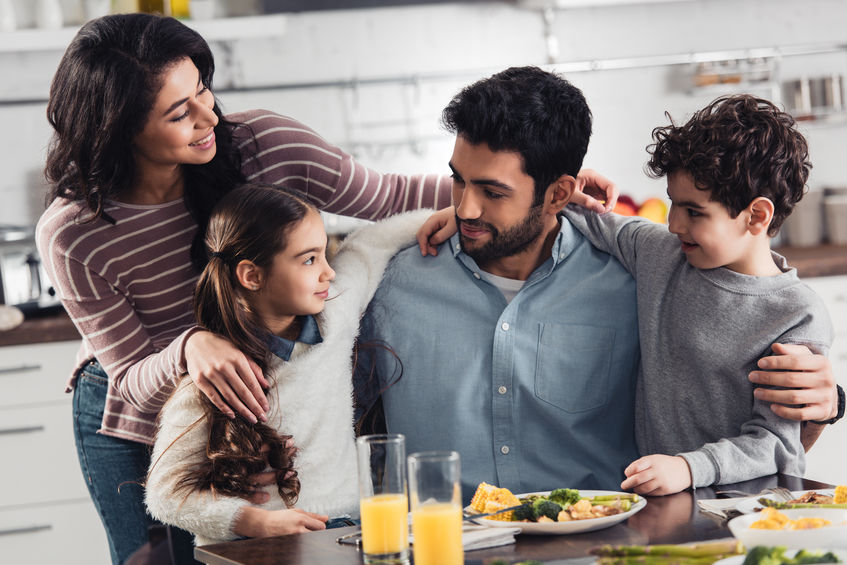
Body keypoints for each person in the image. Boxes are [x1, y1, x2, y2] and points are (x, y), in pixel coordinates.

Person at [34, 15, 613, 562]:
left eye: (204, 90)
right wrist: (191, 348)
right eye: (179, 113)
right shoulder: (72, 234)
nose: (209, 117)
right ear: (118, 130)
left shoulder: (264, 143)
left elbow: (385, 197)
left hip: (259, 390)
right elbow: (130, 376)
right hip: (148, 407)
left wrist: (532, 187)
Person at [359, 66, 841, 503]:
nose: (465, 207)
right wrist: (475, 210)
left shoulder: (646, 283)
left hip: (657, 530)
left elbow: (775, 435)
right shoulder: (390, 281)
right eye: (458, 182)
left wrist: (829, 403)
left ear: (557, 193)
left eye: (492, 191)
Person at [561, 94, 833, 495]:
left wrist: (689, 468)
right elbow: (585, 215)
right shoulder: (662, 253)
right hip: (667, 502)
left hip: (755, 507)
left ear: (757, 215)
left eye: (694, 211)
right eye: (672, 203)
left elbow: (776, 443)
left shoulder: (795, 313)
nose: (673, 224)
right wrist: (565, 185)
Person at [145, 184, 432, 546]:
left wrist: (444, 218)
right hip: (259, 545)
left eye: (326, 254)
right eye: (309, 259)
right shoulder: (214, 380)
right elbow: (164, 495)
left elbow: (369, 246)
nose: (329, 272)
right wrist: (254, 522)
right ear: (252, 276)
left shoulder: (335, 313)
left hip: (349, 529)